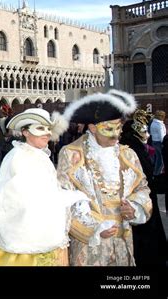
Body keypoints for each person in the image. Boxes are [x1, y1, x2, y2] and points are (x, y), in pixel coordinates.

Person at [57, 90, 152, 266]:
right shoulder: (71, 154)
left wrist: (135, 208)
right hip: (89, 246)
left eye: (119, 128)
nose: (116, 135)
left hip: (123, 243)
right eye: (109, 129)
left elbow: (142, 188)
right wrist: (94, 228)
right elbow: (64, 199)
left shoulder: (128, 155)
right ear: (92, 128)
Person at [0, 108, 86, 266]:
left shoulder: (39, 155)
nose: (47, 133)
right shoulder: (19, 157)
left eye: (48, 129)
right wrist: (71, 197)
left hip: (44, 235)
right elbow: (29, 200)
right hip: (27, 243)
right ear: (25, 132)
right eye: (40, 128)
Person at [119, 109, 167, 266]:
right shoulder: (132, 151)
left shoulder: (138, 148)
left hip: (145, 199)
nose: (147, 135)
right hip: (137, 202)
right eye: (143, 131)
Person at [150, 110, 166, 175]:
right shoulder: (160, 125)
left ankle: (156, 173)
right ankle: (157, 174)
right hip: (159, 143)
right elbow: (162, 136)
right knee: (161, 160)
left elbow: (151, 133)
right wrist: (165, 143)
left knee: (158, 159)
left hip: (154, 142)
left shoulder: (153, 123)